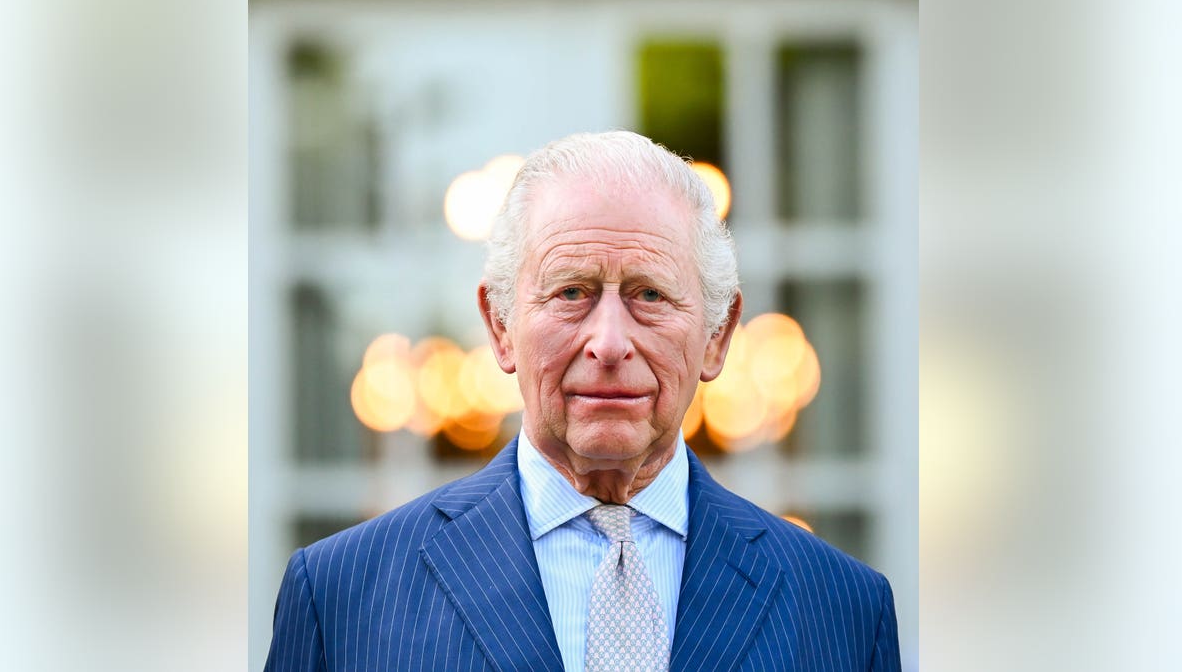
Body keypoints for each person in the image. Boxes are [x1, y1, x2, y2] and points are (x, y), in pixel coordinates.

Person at [265, 131, 901, 671]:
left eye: (650, 295)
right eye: (571, 292)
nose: (610, 342)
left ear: (718, 336)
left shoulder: (843, 609)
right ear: (500, 326)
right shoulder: (342, 597)